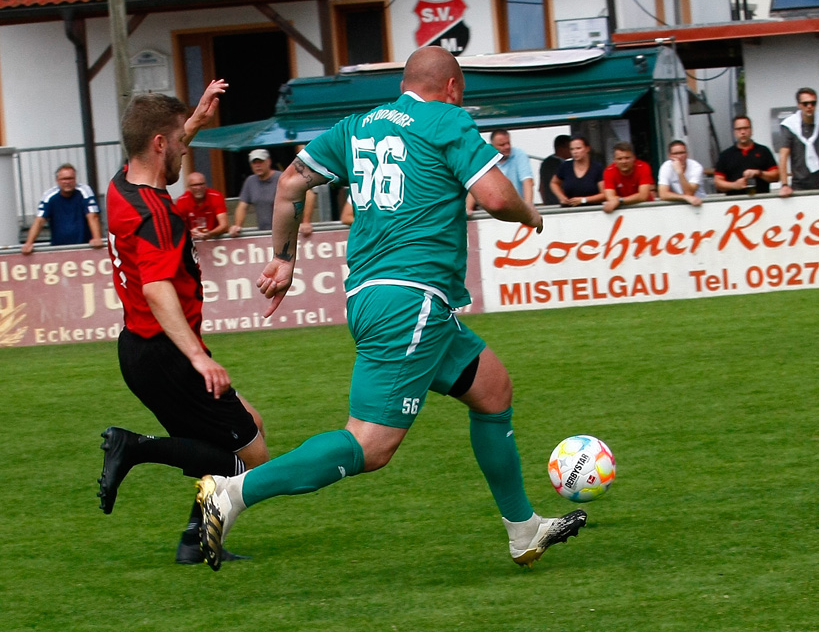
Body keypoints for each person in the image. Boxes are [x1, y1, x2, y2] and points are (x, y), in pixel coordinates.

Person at [194, 46, 586, 572]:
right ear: (450, 87)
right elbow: (495, 197)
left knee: (493, 391)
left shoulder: (358, 126)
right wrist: (531, 214)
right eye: (461, 91)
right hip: (412, 298)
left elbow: (289, 184)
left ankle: (523, 530)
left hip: (378, 296)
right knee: (370, 445)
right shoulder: (446, 118)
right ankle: (232, 493)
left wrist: (284, 261)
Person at [99, 80, 270, 565]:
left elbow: (160, 150)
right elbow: (156, 290)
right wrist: (198, 358)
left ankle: (194, 542)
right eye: (178, 143)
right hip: (168, 354)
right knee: (248, 461)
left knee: (242, 430)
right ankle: (134, 448)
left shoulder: (122, 187)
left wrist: (190, 122)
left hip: (141, 349)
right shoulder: (158, 216)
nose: (183, 153)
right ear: (159, 144)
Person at [21, 164, 103, 254]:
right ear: (57, 181)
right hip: (59, 249)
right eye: (63, 179)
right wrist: (28, 243)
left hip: (85, 247)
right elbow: (39, 220)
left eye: (70, 178)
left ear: (75, 179)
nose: (67, 182)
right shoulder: (49, 196)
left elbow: (93, 216)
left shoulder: (84, 191)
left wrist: (97, 238)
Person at [777, 87, 819, 196]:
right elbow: (783, 156)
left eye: (813, 103)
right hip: (799, 184)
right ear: (799, 105)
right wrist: (785, 185)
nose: (809, 106)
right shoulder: (790, 124)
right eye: (805, 104)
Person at [466, 129, 534, 215]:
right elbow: (475, 185)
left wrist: (529, 205)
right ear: (492, 146)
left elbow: (527, 181)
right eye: (502, 145)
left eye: (508, 143)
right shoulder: (484, 158)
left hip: (517, 210)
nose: (507, 147)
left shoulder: (519, 154)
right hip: (491, 212)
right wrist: (468, 209)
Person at [714, 116, 779, 196]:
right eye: (739, 129)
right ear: (734, 132)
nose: (743, 132)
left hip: (761, 202)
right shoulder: (725, 155)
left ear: (751, 130)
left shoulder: (763, 151)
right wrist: (734, 185)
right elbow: (718, 182)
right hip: (734, 204)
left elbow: (776, 176)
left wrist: (759, 173)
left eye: (746, 128)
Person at [229, 148, 278, 235]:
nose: (257, 165)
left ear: (269, 161)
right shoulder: (250, 181)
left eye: (260, 162)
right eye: (254, 163)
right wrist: (237, 225)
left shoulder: (281, 178)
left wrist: (305, 221)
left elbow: (305, 194)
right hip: (263, 232)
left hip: (285, 232)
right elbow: (242, 206)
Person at [549, 135, 604, 207]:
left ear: (587, 149)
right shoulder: (566, 166)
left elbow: (605, 194)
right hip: (570, 210)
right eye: (572, 149)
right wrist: (561, 197)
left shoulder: (597, 168)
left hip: (592, 210)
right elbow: (554, 183)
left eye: (578, 148)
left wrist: (584, 200)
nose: (575, 152)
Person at [601, 141, 655, 212]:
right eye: (619, 159)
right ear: (614, 160)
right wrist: (617, 201)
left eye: (627, 158)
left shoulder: (643, 167)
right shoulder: (609, 171)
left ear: (634, 158)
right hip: (622, 211)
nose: (624, 161)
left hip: (645, 209)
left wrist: (620, 200)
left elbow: (643, 196)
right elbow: (610, 197)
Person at [174, 171, 229, 240]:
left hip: (216, 239)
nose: (198, 188)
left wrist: (210, 233)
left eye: (201, 184)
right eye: (195, 185)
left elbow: (224, 225)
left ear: (206, 185)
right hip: (193, 241)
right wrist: (190, 232)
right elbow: (178, 227)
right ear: (189, 187)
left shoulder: (216, 196)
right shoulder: (182, 201)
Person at [656, 140, 704, 206]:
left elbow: (689, 193)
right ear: (670, 156)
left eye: (682, 153)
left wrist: (680, 172)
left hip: (699, 203)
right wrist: (685, 197)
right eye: (675, 153)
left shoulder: (696, 167)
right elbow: (663, 194)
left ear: (687, 154)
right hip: (678, 203)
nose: (679, 156)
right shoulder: (666, 167)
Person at [538, 134, 571, 205]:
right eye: (570, 148)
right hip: (562, 203)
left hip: (549, 204)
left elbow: (541, 188)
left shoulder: (545, 163)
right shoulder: (560, 164)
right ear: (561, 148)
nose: (573, 151)